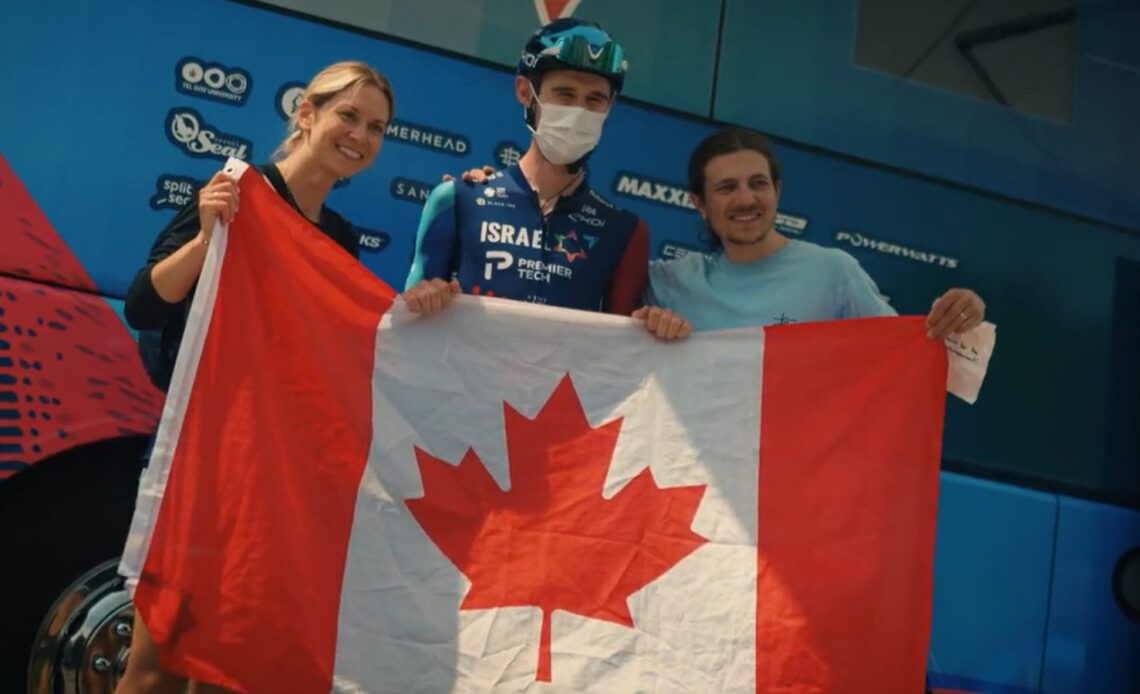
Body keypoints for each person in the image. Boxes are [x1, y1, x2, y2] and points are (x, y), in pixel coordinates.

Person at [117, 60, 395, 694]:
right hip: (201, 459)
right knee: (154, 667)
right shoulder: (238, 189)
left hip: (272, 480)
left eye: (376, 127)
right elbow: (143, 304)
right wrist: (208, 235)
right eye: (347, 115)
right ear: (306, 113)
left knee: (227, 672)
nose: (360, 135)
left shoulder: (341, 239)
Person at [403, 18, 650, 318]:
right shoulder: (456, 200)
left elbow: (622, 351)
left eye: (594, 99)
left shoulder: (625, 231)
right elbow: (408, 323)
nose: (578, 112)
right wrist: (421, 298)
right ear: (525, 91)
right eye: (565, 94)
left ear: (610, 106)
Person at [638, 127, 985, 339]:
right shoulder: (669, 282)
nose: (746, 199)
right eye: (727, 188)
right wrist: (645, 325)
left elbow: (905, 354)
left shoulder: (833, 271)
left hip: (796, 459)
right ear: (699, 203)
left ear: (777, 191)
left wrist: (960, 320)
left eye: (758, 183)